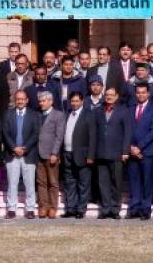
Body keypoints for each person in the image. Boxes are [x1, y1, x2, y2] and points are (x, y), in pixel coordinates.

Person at [94, 86, 132, 219]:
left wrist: (125, 151)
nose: (109, 97)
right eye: (107, 95)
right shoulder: (98, 111)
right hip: (101, 153)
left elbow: (127, 132)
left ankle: (115, 209)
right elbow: (94, 132)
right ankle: (105, 210)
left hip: (117, 153)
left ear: (116, 97)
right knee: (103, 183)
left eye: (111, 95)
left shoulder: (123, 111)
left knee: (116, 183)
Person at [3, 90, 40, 219]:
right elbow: (5, 133)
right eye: (18, 99)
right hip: (12, 154)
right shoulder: (8, 114)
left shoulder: (34, 115)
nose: (20, 101)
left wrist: (25, 148)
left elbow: (36, 133)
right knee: (12, 183)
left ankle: (30, 209)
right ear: (15, 100)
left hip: (28, 154)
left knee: (29, 183)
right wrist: (14, 147)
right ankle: (11, 209)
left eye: (22, 99)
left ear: (27, 100)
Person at [61, 91, 96, 219]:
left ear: (82, 101)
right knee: (69, 182)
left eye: (77, 101)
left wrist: (91, 156)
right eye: (72, 101)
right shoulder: (67, 114)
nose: (74, 103)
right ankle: (70, 208)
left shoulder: (89, 114)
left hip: (83, 155)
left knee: (83, 183)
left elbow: (93, 137)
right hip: (67, 153)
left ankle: (80, 209)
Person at [126, 82, 153, 220]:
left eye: (143, 92)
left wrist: (139, 147)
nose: (140, 95)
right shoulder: (130, 108)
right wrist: (130, 147)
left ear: (148, 94)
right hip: (132, 151)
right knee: (134, 181)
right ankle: (134, 208)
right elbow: (126, 130)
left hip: (147, 152)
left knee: (147, 182)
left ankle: (145, 209)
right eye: (138, 92)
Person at [36, 91, 65, 218]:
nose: (41, 103)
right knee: (41, 182)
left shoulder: (58, 115)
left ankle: (53, 207)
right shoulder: (37, 114)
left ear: (51, 101)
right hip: (38, 153)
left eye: (43, 101)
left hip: (51, 154)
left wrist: (55, 153)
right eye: (40, 101)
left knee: (53, 182)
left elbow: (59, 136)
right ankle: (43, 207)